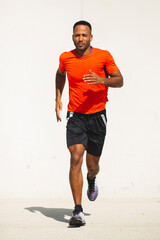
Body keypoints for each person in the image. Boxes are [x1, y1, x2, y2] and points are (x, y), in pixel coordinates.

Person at [55, 20, 123, 227]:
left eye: (84, 35)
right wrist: (58, 97)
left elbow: (119, 80)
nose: (80, 39)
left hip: (97, 117)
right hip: (75, 115)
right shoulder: (65, 57)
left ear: (91, 37)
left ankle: (91, 179)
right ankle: (77, 211)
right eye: (77, 35)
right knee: (75, 157)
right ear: (73, 37)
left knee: (91, 165)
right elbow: (60, 74)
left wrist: (102, 80)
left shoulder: (104, 56)